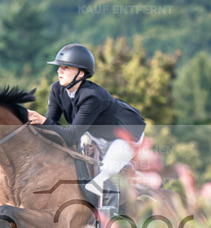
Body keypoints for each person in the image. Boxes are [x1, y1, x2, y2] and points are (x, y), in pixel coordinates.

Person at [26, 43, 146, 197]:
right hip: (97, 133)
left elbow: (70, 136)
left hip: (126, 135)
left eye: (66, 68)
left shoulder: (92, 96)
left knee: (105, 171)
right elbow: (52, 126)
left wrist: (42, 122)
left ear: (81, 74)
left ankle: (115, 207)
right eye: (59, 67)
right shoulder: (56, 90)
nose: (59, 71)